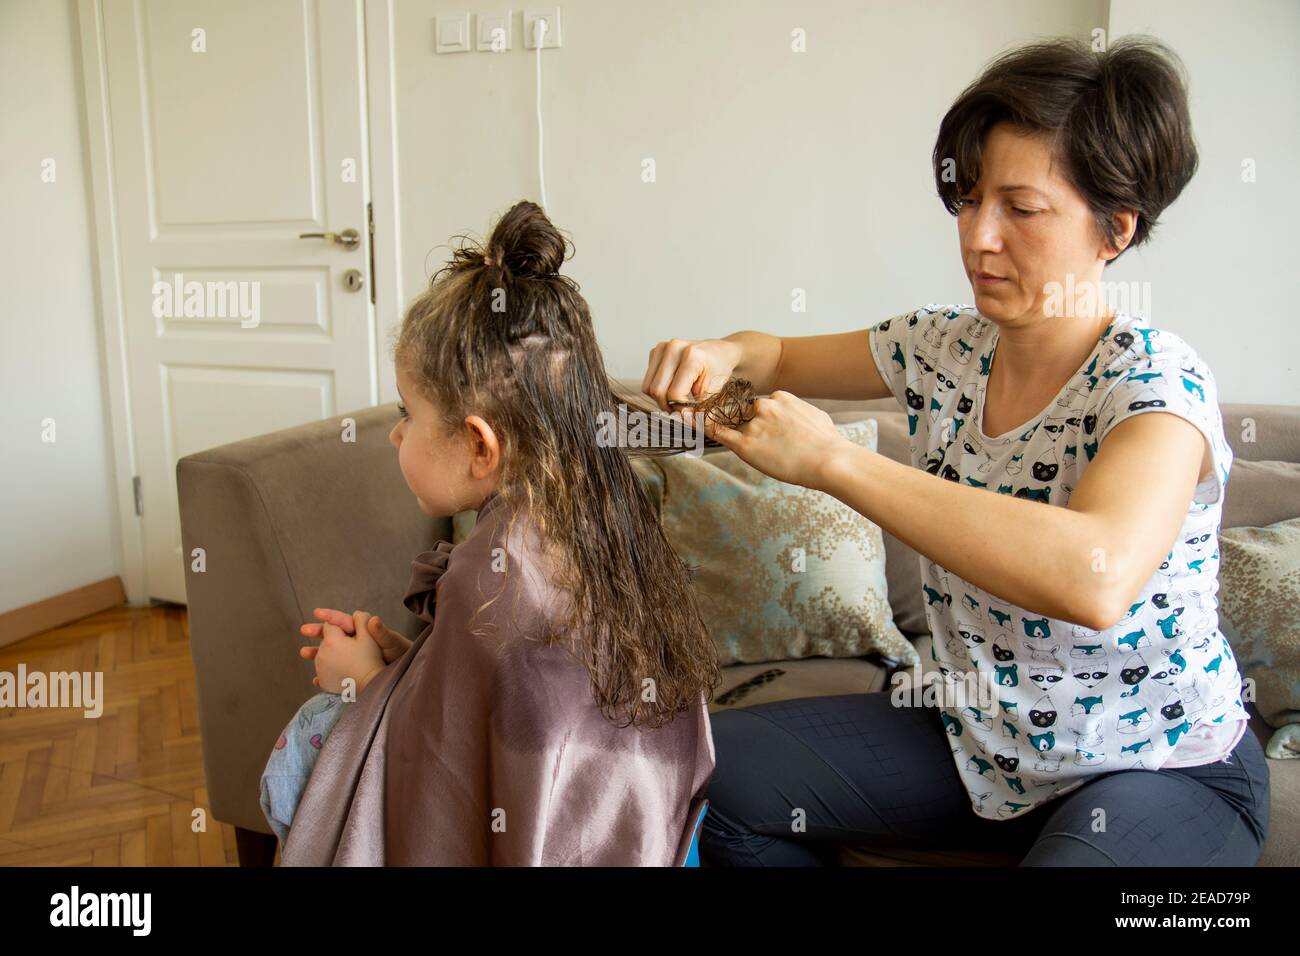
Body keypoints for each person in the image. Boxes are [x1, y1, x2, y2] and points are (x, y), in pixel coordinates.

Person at [641, 37, 1269, 866]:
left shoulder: (1156, 385)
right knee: (690, 784)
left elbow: (1096, 576)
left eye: (1020, 208)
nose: (979, 237)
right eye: (968, 202)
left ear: (1113, 230)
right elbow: (777, 356)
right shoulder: (942, 347)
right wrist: (723, 353)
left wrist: (834, 463)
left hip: (1159, 767)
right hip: (977, 742)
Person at [260, 200, 719, 865]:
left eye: (406, 414)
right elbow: (492, 705)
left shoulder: (494, 573)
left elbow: (439, 766)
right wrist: (408, 665)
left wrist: (359, 683)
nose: (395, 434)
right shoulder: (598, 504)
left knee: (299, 759)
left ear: (481, 446)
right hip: (659, 831)